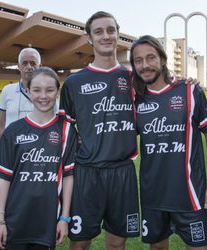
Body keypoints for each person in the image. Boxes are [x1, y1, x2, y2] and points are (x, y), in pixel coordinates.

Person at [130, 35, 207, 250]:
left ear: (162, 59)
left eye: (150, 57)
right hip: (153, 196)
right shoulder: (135, 100)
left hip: (189, 194)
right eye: (138, 60)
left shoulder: (190, 90)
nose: (145, 65)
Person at [59, 11, 139, 250]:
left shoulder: (135, 79)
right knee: (80, 244)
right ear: (89, 39)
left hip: (122, 172)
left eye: (111, 30)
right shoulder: (74, 83)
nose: (106, 36)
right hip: (87, 174)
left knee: (116, 245)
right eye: (99, 31)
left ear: (118, 34)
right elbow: (65, 132)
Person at [0, 67, 78, 250]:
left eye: (50, 90)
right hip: (14, 220)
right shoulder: (13, 131)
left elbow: (68, 176)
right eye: (37, 89)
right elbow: (4, 179)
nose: (43, 95)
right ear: (27, 91)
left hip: (47, 222)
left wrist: (64, 218)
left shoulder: (66, 130)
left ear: (58, 92)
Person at [0, 47, 41, 145]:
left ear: (39, 66)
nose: (29, 67)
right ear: (19, 66)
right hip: (11, 149)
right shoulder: (7, 90)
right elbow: (0, 124)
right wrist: (0, 150)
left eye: (33, 63)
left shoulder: (47, 94)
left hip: (37, 152)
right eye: (24, 63)